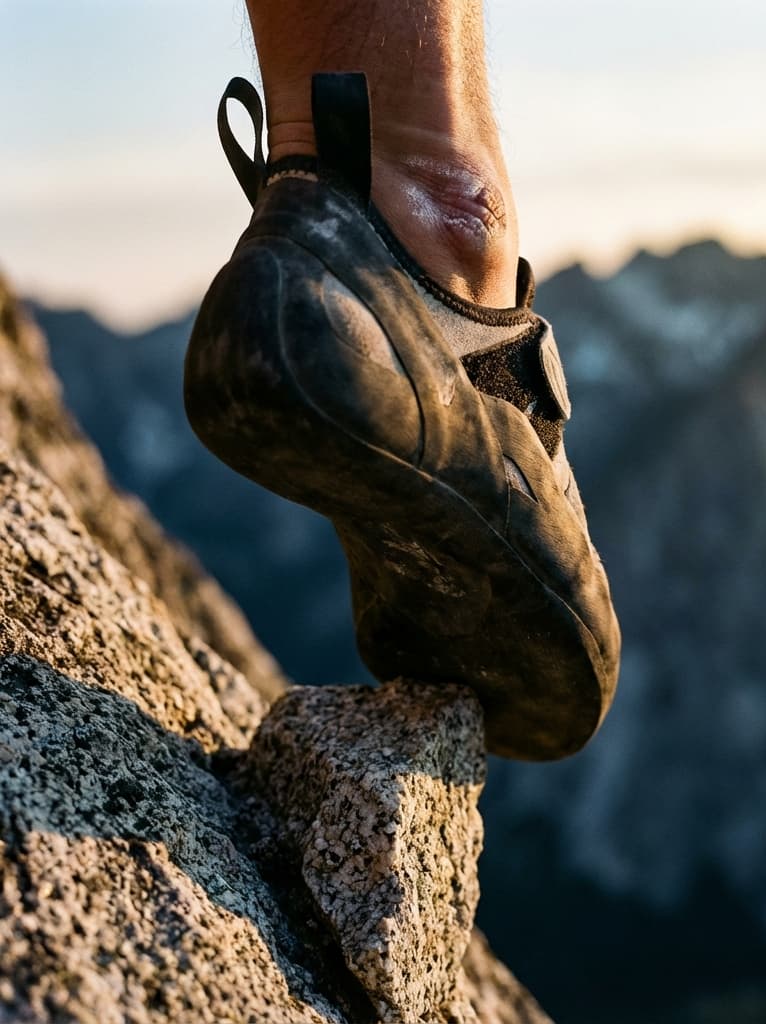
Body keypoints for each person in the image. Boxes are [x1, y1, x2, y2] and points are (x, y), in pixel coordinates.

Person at [184, 0, 620, 760]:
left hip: (336, 227)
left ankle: (322, 181)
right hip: (399, 248)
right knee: (411, 166)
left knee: (335, 156)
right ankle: (431, 200)